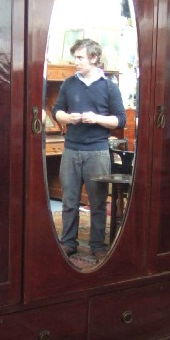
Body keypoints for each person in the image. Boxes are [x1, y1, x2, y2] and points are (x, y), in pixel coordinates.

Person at [53, 38, 126, 261]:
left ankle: (97, 245)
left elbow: (120, 121)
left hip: (97, 151)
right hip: (71, 150)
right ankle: (68, 243)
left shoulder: (109, 87)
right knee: (70, 201)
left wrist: (96, 119)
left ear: (94, 58)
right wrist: (68, 118)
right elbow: (57, 112)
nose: (75, 61)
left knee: (97, 202)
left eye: (80, 57)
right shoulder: (68, 84)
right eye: (75, 57)